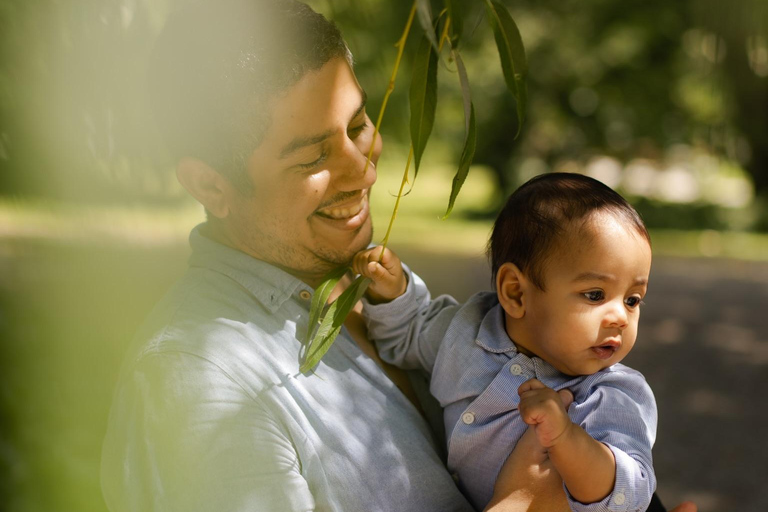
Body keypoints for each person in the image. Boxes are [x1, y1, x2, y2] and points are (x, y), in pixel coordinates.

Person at [100, 0, 697, 511]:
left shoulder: (379, 295)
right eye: (311, 158)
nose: (361, 171)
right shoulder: (200, 381)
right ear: (210, 186)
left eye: (359, 125)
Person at [353, 173, 670, 511]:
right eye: (595, 294)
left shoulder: (611, 392)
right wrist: (392, 293)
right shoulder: (465, 331)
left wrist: (567, 438)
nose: (620, 317)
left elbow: (630, 492)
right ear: (516, 292)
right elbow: (408, 334)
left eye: (633, 300)